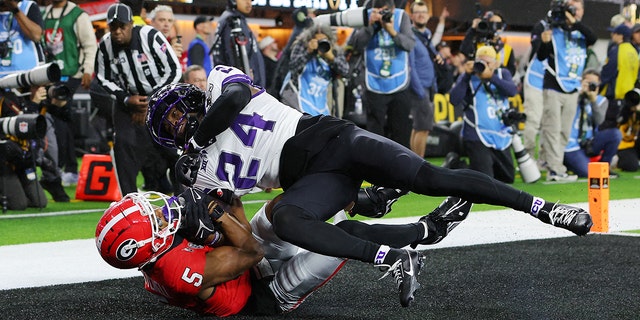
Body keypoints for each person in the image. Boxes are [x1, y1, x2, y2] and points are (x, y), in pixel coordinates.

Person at [146, 65, 595, 307]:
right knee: (285, 216)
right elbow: (233, 220)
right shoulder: (202, 169)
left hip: (334, 138)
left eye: (177, 111)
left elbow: (235, 100)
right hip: (315, 180)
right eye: (172, 124)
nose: (180, 121)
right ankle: (393, 256)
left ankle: (545, 207)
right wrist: (191, 194)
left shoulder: (220, 84)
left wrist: (201, 138)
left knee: (431, 178)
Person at [95, 188, 472, 316]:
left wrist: (227, 198)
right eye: (155, 220)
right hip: (264, 294)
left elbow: (237, 234)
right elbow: (252, 251)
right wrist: (215, 214)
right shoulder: (176, 271)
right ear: (147, 248)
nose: (163, 212)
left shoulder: (159, 251)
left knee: (287, 208)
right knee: (341, 235)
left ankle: (362, 199)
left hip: (245, 267)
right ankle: (428, 230)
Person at [94, 3, 181, 196]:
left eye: (122, 26)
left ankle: (184, 196)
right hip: (127, 100)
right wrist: (125, 99)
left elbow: (174, 70)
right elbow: (102, 77)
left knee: (173, 149)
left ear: (131, 24)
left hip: (161, 97)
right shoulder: (105, 45)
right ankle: (129, 198)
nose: (117, 31)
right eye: (113, 27)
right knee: (123, 145)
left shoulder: (150, 37)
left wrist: (153, 100)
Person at [535, 0, 597, 181]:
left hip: (573, 87)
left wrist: (574, 23)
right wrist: (544, 42)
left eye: (575, 9)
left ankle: (550, 164)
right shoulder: (551, 29)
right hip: (554, 86)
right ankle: (555, 169)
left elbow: (592, 37)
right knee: (552, 129)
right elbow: (541, 56)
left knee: (564, 131)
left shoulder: (581, 31)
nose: (571, 13)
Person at [42, 0, 97, 187]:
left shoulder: (78, 15)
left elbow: (90, 45)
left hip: (71, 75)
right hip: (49, 75)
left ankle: (69, 169)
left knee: (62, 121)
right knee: (56, 122)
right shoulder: (45, 14)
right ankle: (63, 167)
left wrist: (88, 70)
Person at [350, 0, 416, 148]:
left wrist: (392, 31)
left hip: (399, 83)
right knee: (375, 134)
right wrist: (370, 26)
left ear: (392, 9)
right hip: (374, 83)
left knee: (401, 131)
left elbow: (410, 45)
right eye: (378, 11)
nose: (381, 15)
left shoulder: (401, 16)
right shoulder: (365, 16)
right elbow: (355, 45)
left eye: (385, 11)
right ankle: (376, 168)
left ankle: (401, 167)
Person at [449, 46, 519, 183]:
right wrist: (465, 75)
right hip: (476, 134)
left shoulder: (502, 73)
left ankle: (464, 166)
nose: (484, 66)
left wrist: (491, 77)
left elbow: (512, 91)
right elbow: (454, 99)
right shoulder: (468, 78)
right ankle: (457, 166)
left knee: (508, 178)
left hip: (499, 134)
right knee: (484, 180)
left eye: (488, 63)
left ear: (495, 63)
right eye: (481, 62)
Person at [280, 23, 349, 116]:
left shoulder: (333, 50)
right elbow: (293, 66)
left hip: (322, 104)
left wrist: (332, 58)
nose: (320, 43)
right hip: (299, 102)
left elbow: (345, 71)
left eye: (324, 40)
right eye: (317, 40)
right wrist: (308, 52)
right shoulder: (302, 46)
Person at [563, 69, 621, 178]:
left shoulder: (601, 100)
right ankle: (569, 163)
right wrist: (579, 94)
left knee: (615, 134)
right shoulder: (572, 96)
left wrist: (593, 100)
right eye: (587, 83)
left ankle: (604, 166)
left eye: (593, 84)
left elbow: (599, 121)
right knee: (589, 174)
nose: (590, 86)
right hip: (571, 144)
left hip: (590, 143)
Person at [408, 0, 439, 158]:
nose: (421, 15)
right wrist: (419, 90)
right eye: (417, 12)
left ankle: (414, 163)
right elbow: (410, 66)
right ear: (412, 15)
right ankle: (418, 165)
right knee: (423, 128)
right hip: (419, 89)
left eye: (424, 12)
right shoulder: (411, 37)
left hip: (427, 88)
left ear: (428, 15)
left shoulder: (425, 35)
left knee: (419, 127)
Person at [211, 0, 266, 87]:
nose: (249, 3)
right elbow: (233, 57)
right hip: (243, 87)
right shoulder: (232, 21)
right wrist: (243, 83)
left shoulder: (235, 19)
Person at [270, 6, 316, 97]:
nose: (314, 18)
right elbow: (296, 15)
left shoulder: (300, 29)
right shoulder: (302, 30)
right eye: (312, 16)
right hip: (289, 73)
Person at [459, 10, 516, 76]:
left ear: (502, 27)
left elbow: (512, 72)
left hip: (498, 82)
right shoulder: (479, 44)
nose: (494, 28)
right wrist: (473, 29)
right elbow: (464, 49)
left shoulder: (507, 49)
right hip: (479, 81)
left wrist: (500, 66)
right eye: (491, 24)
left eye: (498, 25)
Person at [0, 0, 43, 77]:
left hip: (28, 74)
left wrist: (15, 10)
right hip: (2, 75)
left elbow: (36, 36)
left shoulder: (27, 5)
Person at [600, 24, 638, 103]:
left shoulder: (616, 51)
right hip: (629, 93)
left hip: (615, 94)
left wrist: (599, 86)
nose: (612, 35)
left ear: (621, 36)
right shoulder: (634, 51)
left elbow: (608, 72)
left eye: (615, 33)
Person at [148, 5, 185, 71]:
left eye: (170, 21)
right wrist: (169, 55)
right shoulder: (145, 42)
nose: (166, 24)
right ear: (152, 22)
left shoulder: (167, 42)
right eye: (162, 20)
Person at [615, 88, 640, 172]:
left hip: (636, 143)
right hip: (624, 145)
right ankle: (616, 160)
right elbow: (619, 121)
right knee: (631, 166)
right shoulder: (622, 110)